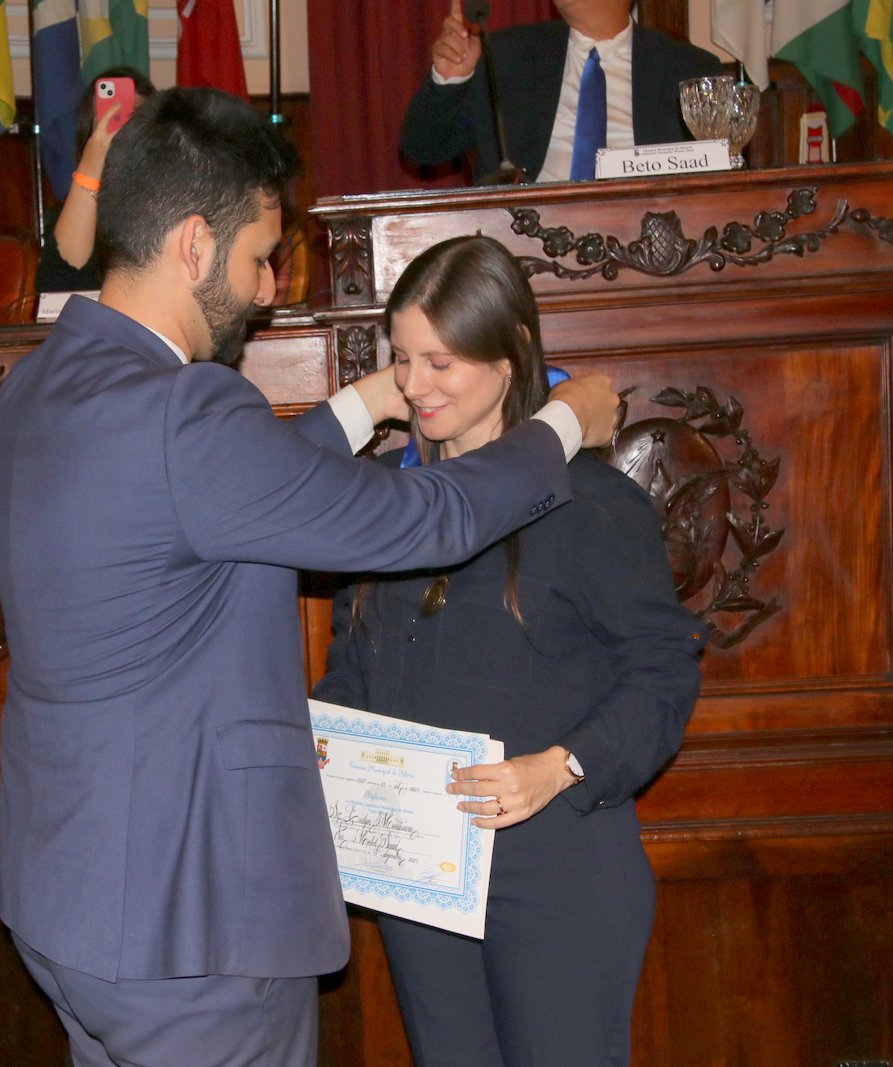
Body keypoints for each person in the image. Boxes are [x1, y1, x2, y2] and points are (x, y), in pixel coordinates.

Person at [0, 88, 621, 1067]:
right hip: (188, 926)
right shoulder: (187, 411)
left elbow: (217, 494)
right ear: (194, 243)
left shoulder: (41, 379)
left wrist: (367, 401)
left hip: (65, 898)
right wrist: (562, 423)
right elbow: (427, 517)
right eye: (258, 257)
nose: (269, 289)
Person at [313, 235, 704, 1067]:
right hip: (421, 871)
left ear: (512, 352)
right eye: (401, 359)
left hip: (559, 866)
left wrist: (560, 766)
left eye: (441, 362)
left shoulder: (591, 501)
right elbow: (353, 662)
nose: (414, 386)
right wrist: (327, 738)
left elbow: (663, 671)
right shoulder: (387, 499)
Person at [400, 0, 720, 183]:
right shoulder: (508, 56)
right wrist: (451, 80)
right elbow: (424, 148)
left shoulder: (689, 68)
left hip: (647, 245)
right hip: (528, 245)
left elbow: (716, 177)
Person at [37, 67, 157, 292]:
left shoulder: (175, 210)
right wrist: (92, 166)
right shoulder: (69, 216)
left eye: (133, 118)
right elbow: (59, 289)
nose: (120, 131)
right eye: (107, 120)